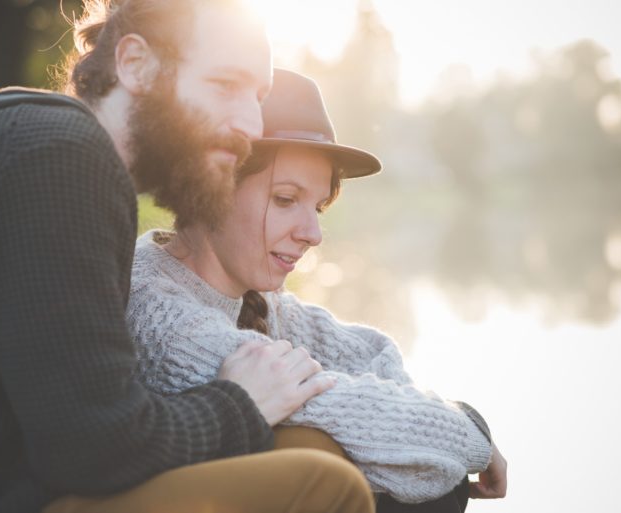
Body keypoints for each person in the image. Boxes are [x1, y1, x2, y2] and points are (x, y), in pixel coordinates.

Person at [0, 2, 375, 512]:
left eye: (257, 96)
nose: (250, 123)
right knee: (325, 483)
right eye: (225, 86)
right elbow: (95, 448)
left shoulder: (53, 149)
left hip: (9, 478)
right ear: (136, 65)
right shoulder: (56, 158)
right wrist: (240, 404)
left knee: (306, 445)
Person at [127, 68, 508, 512]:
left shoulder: (255, 299)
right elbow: (372, 422)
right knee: (338, 454)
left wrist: (459, 420)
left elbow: (373, 354)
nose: (313, 233)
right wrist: (471, 436)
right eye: (286, 200)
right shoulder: (161, 316)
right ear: (210, 187)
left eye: (319, 206)